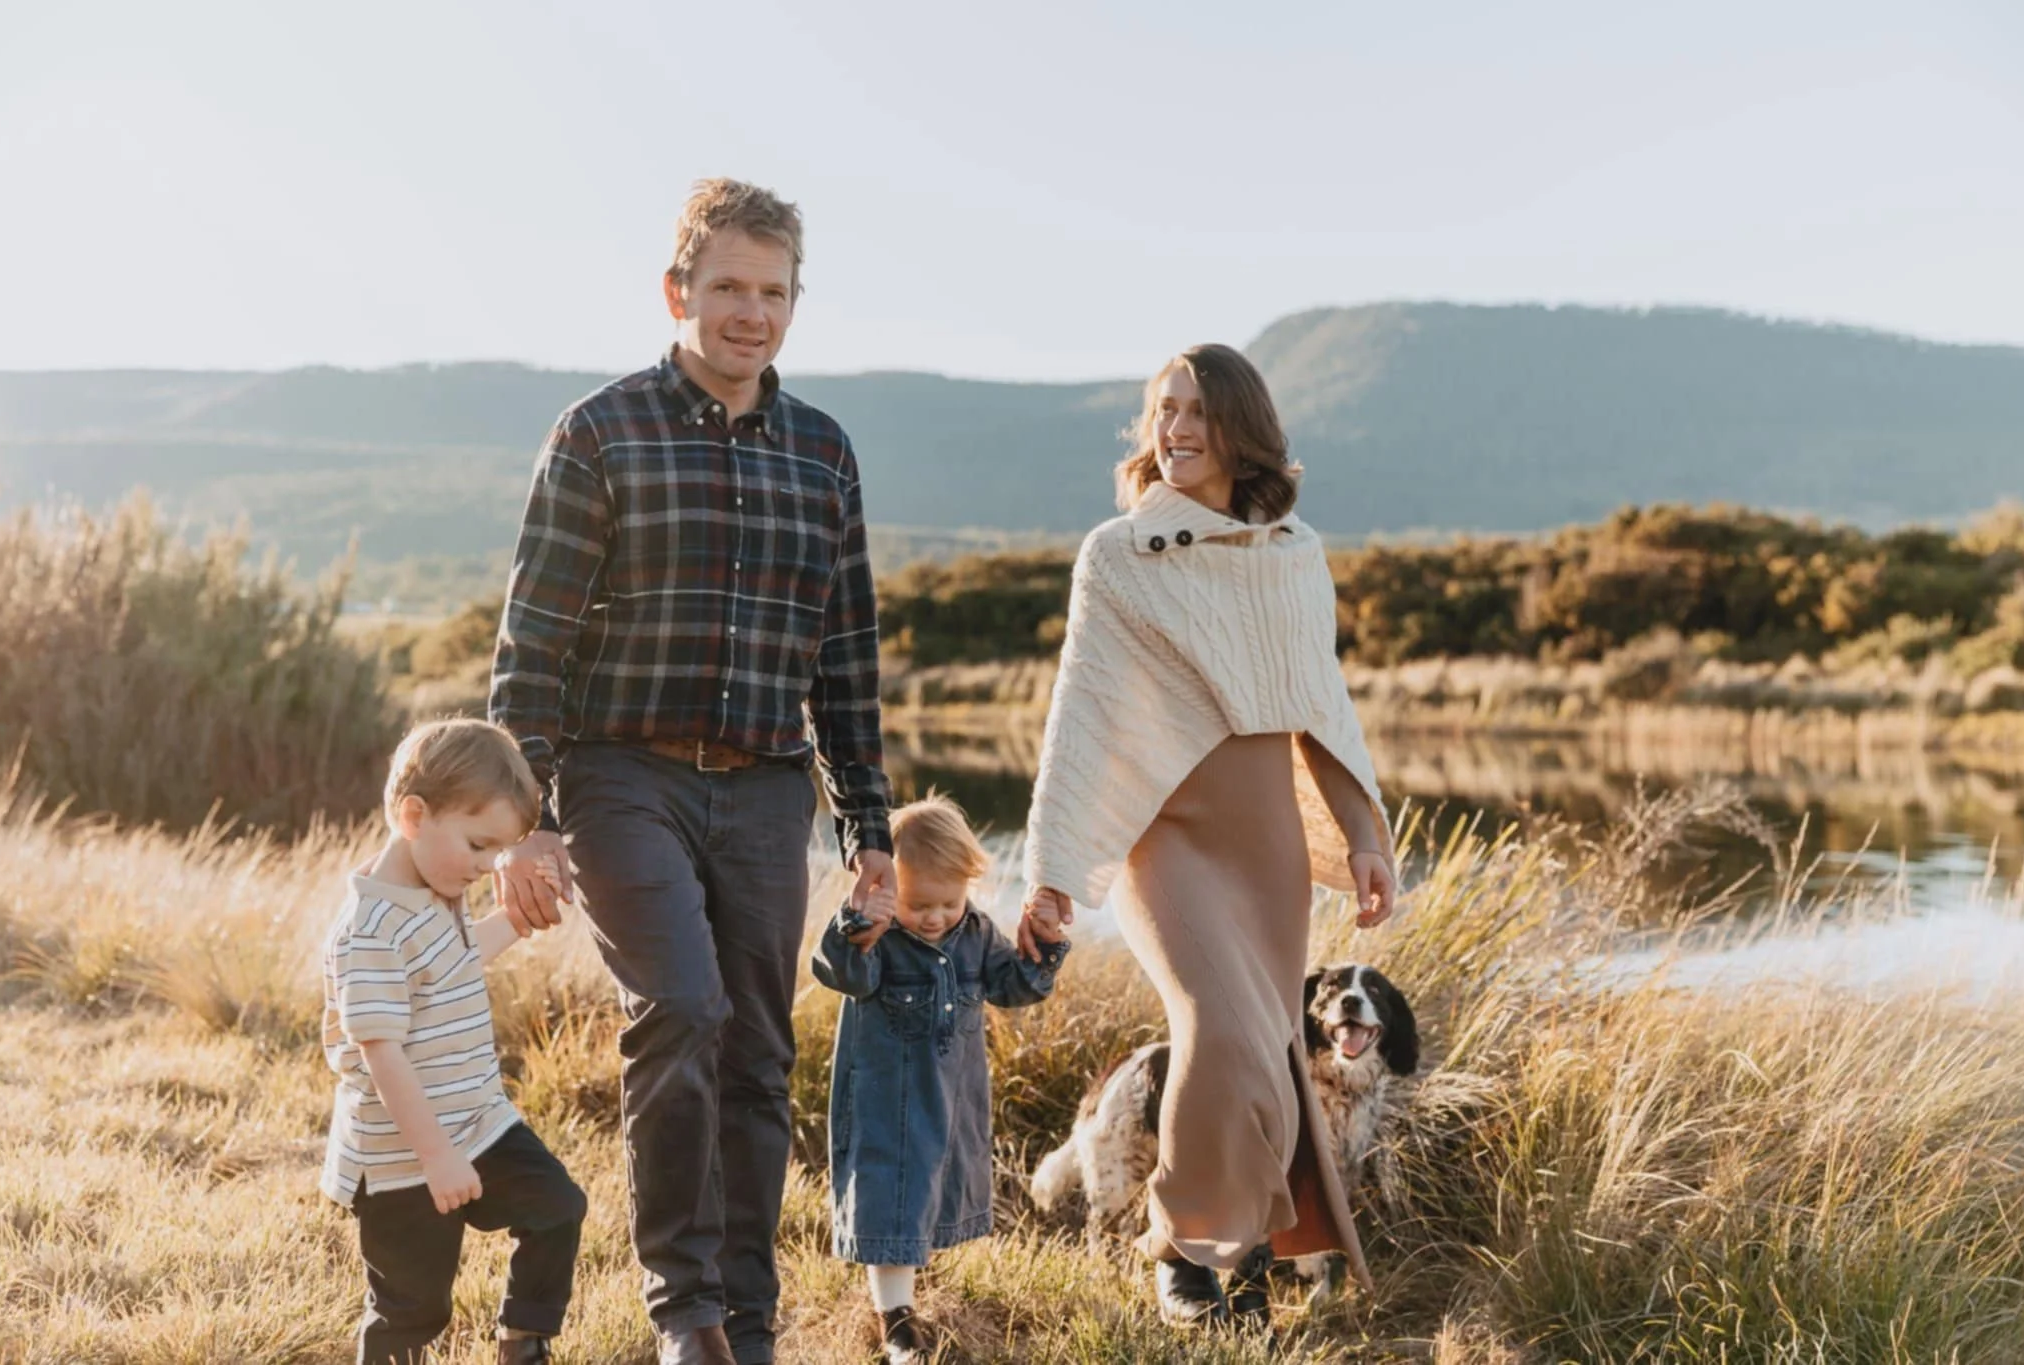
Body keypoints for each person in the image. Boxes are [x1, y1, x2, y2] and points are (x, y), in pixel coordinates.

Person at [488, 178, 897, 1365]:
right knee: (679, 1009)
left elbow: (845, 655)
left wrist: (869, 825)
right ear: (679, 292)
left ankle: (748, 1321)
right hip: (624, 776)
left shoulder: (825, 453)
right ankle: (687, 1314)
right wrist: (526, 817)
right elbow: (534, 641)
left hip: (768, 788)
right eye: (726, 288)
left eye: (772, 293)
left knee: (760, 1053)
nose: (749, 314)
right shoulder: (600, 431)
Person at [1018, 343, 1399, 1330]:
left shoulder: (1290, 555)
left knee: (1268, 1049)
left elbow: (1322, 707)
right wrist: (1052, 871)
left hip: (1262, 838)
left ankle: (1246, 1259)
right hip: (1164, 839)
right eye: (1161, 411)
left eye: (1194, 412)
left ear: (1240, 430)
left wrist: (1362, 834)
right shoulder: (1118, 555)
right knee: (1219, 1030)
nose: (1174, 430)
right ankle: (1182, 1246)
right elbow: (1082, 715)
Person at [320, 718, 586, 1365]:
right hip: (404, 1156)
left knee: (558, 1207)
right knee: (413, 1309)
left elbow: (455, 963)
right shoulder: (372, 929)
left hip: (478, 1121)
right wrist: (436, 1157)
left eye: (498, 850)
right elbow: (382, 1054)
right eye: (478, 845)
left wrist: (515, 921)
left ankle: (523, 1345)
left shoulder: (433, 890)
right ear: (414, 815)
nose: (486, 865)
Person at [810, 795, 1069, 1365]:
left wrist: (1043, 947)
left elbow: (1013, 986)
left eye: (948, 902)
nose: (933, 917)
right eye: (917, 903)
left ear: (967, 886)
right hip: (886, 1101)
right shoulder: (877, 938)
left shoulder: (975, 931)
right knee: (890, 1195)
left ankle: (911, 1296)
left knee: (932, 1193)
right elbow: (839, 970)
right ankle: (896, 1319)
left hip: (951, 1098)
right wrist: (856, 928)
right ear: (885, 892)